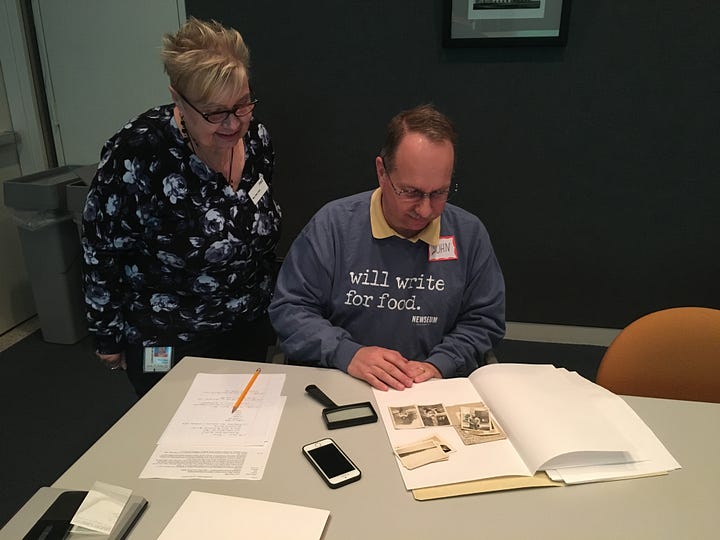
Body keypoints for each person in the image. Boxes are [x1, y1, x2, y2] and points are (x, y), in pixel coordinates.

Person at [81, 18, 281, 397]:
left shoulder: (255, 139)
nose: (233, 123)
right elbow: (100, 247)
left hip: (246, 326)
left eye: (242, 104)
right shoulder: (138, 151)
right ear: (178, 98)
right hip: (168, 337)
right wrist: (106, 333)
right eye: (214, 112)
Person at [269, 104, 504, 391]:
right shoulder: (333, 226)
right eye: (411, 192)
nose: (426, 209)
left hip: (432, 387)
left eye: (439, 192)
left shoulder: (469, 235)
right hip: (343, 380)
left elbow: (483, 320)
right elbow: (291, 308)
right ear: (382, 172)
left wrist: (440, 363)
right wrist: (347, 353)